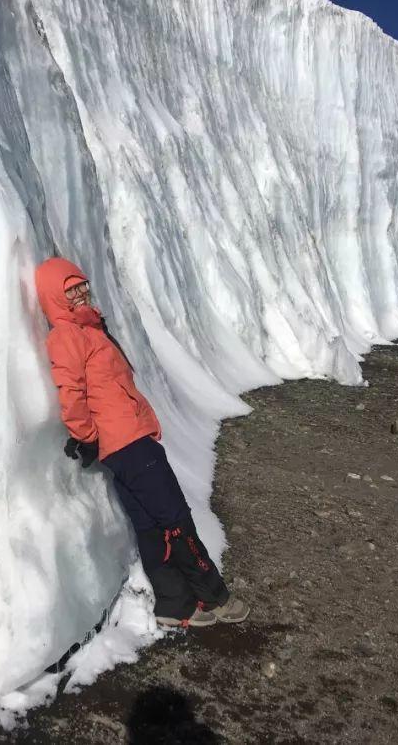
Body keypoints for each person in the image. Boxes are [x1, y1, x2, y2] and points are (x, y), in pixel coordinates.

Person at [34, 256, 249, 628]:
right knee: (176, 519)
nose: (81, 292)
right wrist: (85, 436)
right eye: (71, 289)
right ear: (56, 296)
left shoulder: (88, 330)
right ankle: (215, 597)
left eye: (82, 284)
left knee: (152, 526)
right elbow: (71, 392)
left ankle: (173, 605)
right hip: (129, 443)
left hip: (126, 443)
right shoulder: (67, 335)